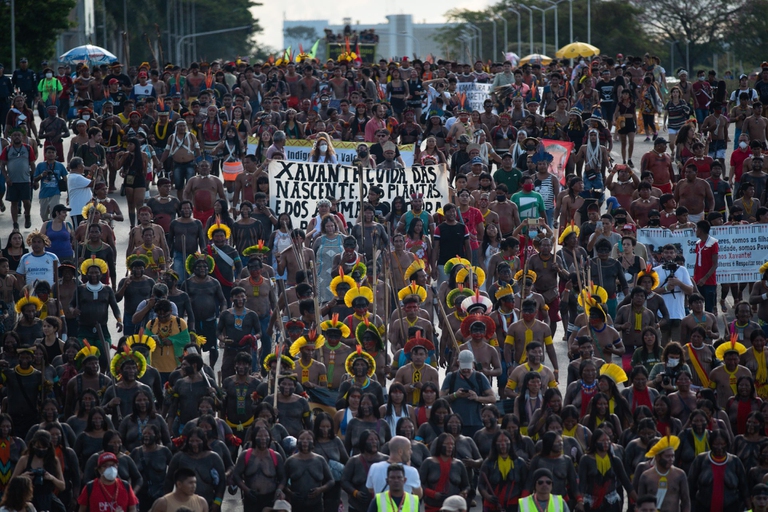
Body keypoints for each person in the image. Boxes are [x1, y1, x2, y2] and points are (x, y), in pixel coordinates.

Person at [688, 428, 749, 512]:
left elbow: (744, 488)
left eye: (722, 444)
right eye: (716, 444)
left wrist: (750, 509)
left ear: (727, 444)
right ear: (711, 443)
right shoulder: (700, 459)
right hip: (703, 507)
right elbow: (690, 485)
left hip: (730, 507)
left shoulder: (735, 461)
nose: (719, 447)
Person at [636, 435, 690, 512]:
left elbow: (686, 501)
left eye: (673, 456)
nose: (671, 459)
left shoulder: (680, 475)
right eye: (667, 456)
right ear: (657, 457)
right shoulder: (646, 476)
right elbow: (640, 502)